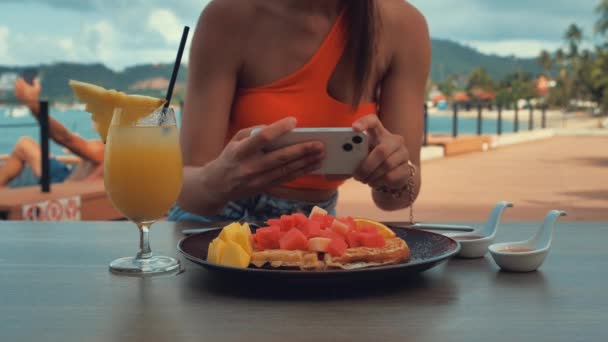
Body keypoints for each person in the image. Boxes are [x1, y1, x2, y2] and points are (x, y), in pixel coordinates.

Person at [169, 0, 430, 223]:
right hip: (214, 222)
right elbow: (187, 190)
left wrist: (395, 175)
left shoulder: (403, 26)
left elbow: (399, 198)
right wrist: (219, 181)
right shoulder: (229, 14)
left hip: (313, 227)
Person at [0, 77, 105, 188]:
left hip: (63, 189)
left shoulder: (102, 150)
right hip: (65, 175)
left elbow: (65, 138)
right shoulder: (102, 148)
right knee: (24, 144)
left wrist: (34, 106)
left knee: (24, 144)